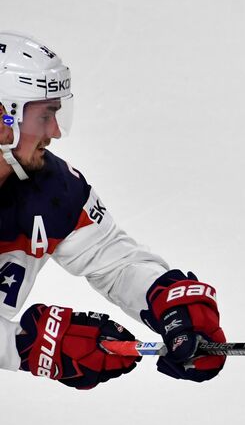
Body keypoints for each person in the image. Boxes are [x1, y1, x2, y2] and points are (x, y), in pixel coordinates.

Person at [1, 31, 225, 389]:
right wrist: (20, 345)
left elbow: (111, 261)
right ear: (3, 115)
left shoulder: (54, 189)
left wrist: (163, 297)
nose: (56, 132)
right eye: (44, 116)